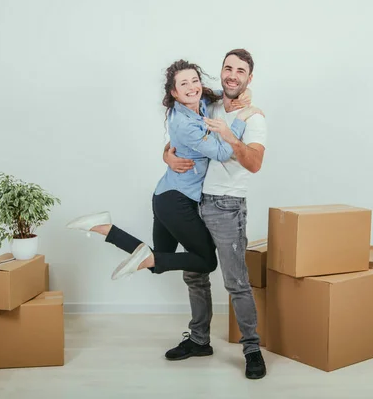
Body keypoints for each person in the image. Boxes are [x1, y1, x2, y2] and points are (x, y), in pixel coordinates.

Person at [66, 59, 262, 282]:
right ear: (174, 92)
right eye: (184, 84)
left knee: (160, 256)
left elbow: (222, 93)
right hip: (177, 201)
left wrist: (247, 94)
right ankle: (107, 229)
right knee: (207, 261)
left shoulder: (200, 101)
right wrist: (240, 120)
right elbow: (221, 152)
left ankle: (104, 227)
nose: (191, 88)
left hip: (164, 195)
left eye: (195, 81)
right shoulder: (184, 124)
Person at [163, 49, 268, 380]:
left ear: (249, 78)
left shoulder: (254, 118)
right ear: (221, 72)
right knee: (194, 273)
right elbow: (180, 134)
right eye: (228, 68)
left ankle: (251, 349)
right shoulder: (209, 102)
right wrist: (167, 156)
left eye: (240, 71)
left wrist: (229, 135)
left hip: (227, 206)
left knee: (235, 281)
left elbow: (254, 163)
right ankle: (199, 340)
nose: (232, 75)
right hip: (195, 201)